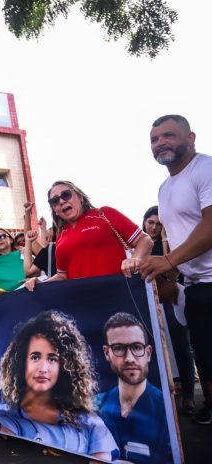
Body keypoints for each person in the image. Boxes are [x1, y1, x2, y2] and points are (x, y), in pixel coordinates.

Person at [140, 114, 212, 424]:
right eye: (154, 139)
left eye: (168, 135)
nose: (160, 143)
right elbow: (172, 238)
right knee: (206, 358)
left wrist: (168, 262)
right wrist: (171, 277)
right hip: (195, 287)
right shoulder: (163, 189)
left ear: (191, 138)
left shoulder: (206, 168)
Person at [0, 310, 118, 460]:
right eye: (35, 357)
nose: (43, 368)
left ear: (65, 366)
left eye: (52, 359)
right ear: (21, 362)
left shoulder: (90, 424)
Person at [26, 181, 152, 291]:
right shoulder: (61, 237)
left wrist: (134, 259)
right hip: (83, 305)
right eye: (55, 201)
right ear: (55, 210)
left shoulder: (104, 214)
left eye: (66, 194)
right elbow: (63, 276)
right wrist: (42, 284)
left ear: (80, 197)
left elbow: (144, 240)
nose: (62, 201)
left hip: (117, 295)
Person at [96, 312, 171, 463]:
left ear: (148, 353)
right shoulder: (93, 407)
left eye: (137, 347)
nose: (129, 358)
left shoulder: (167, 412)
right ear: (107, 353)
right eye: (118, 348)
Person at [142, 205, 196, 415]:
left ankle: (189, 396)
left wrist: (165, 239)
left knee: (181, 345)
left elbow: (172, 267)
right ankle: (162, 398)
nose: (154, 227)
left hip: (171, 299)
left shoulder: (172, 243)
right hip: (149, 301)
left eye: (159, 224)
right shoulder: (138, 246)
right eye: (151, 222)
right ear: (144, 222)